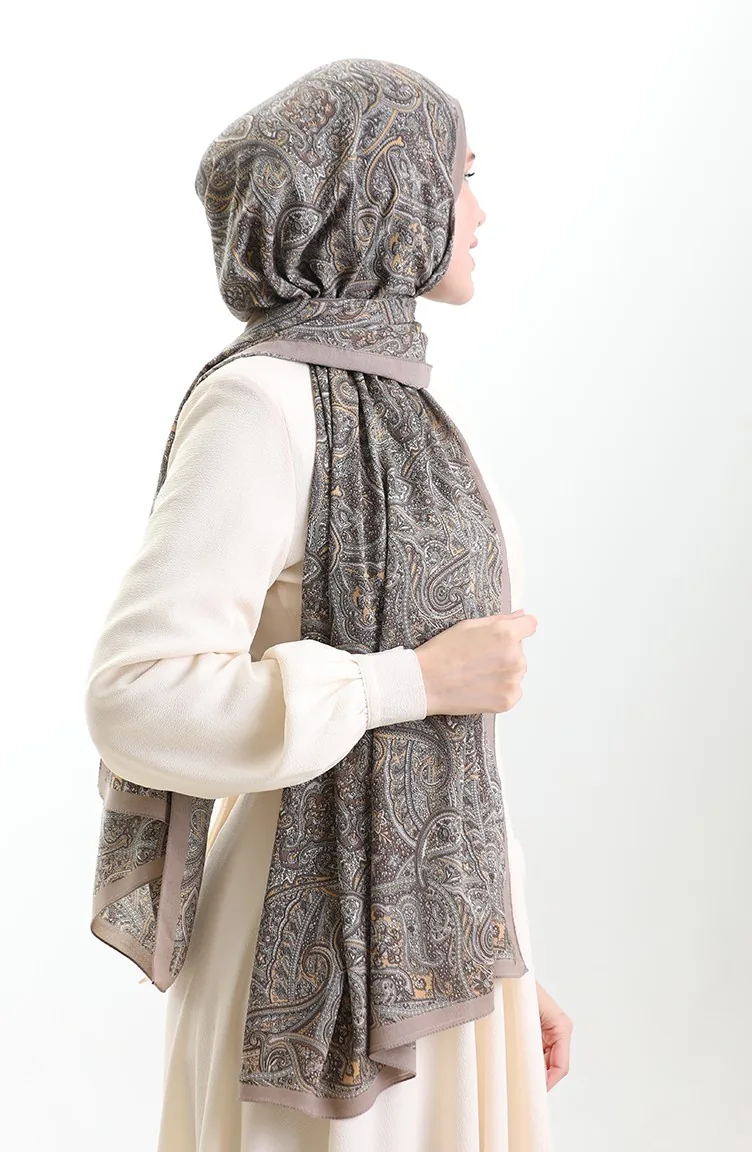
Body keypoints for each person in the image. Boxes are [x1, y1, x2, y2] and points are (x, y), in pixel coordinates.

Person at [84, 58, 572, 1151]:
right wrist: (408, 682)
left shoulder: (409, 410)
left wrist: (508, 958)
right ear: (382, 190)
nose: (479, 210)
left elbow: (448, 766)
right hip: (302, 968)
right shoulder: (260, 405)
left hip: (443, 960)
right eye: (461, 177)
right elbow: (134, 697)